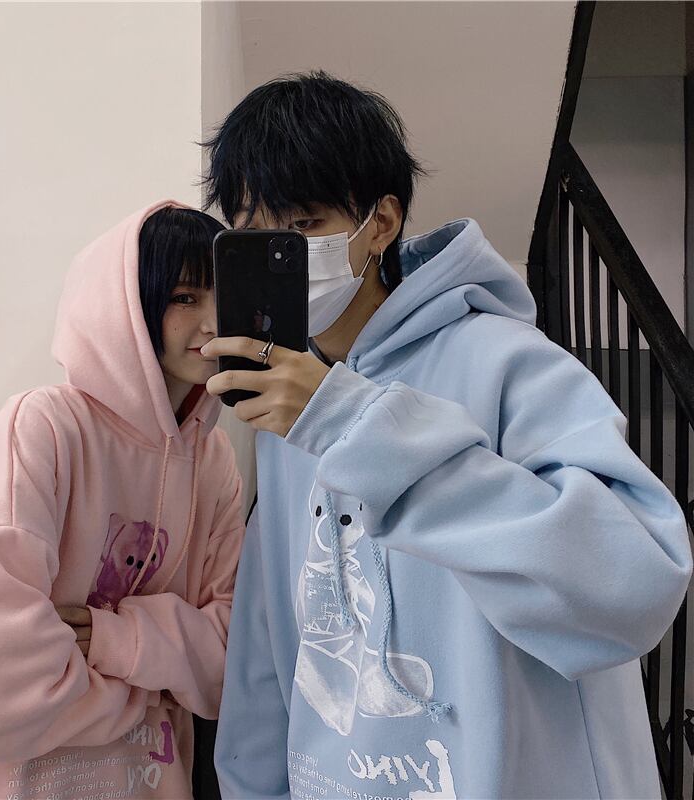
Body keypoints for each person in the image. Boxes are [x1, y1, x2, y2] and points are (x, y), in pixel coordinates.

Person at [200, 72, 693, 799]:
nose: (280, 249)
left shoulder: (508, 362)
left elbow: (636, 583)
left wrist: (356, 425)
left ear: (381, 222)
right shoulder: (282, 403)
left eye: (302, 225)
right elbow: (272, 636)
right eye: (251, 231)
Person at [0, 201, 245, 799]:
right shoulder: (47, 427)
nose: (213, 321)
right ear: (130, 303)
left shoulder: (214, 461)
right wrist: (154, 685)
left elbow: (231, 666)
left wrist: (111, 640)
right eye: (184, 297)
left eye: (223, 295)